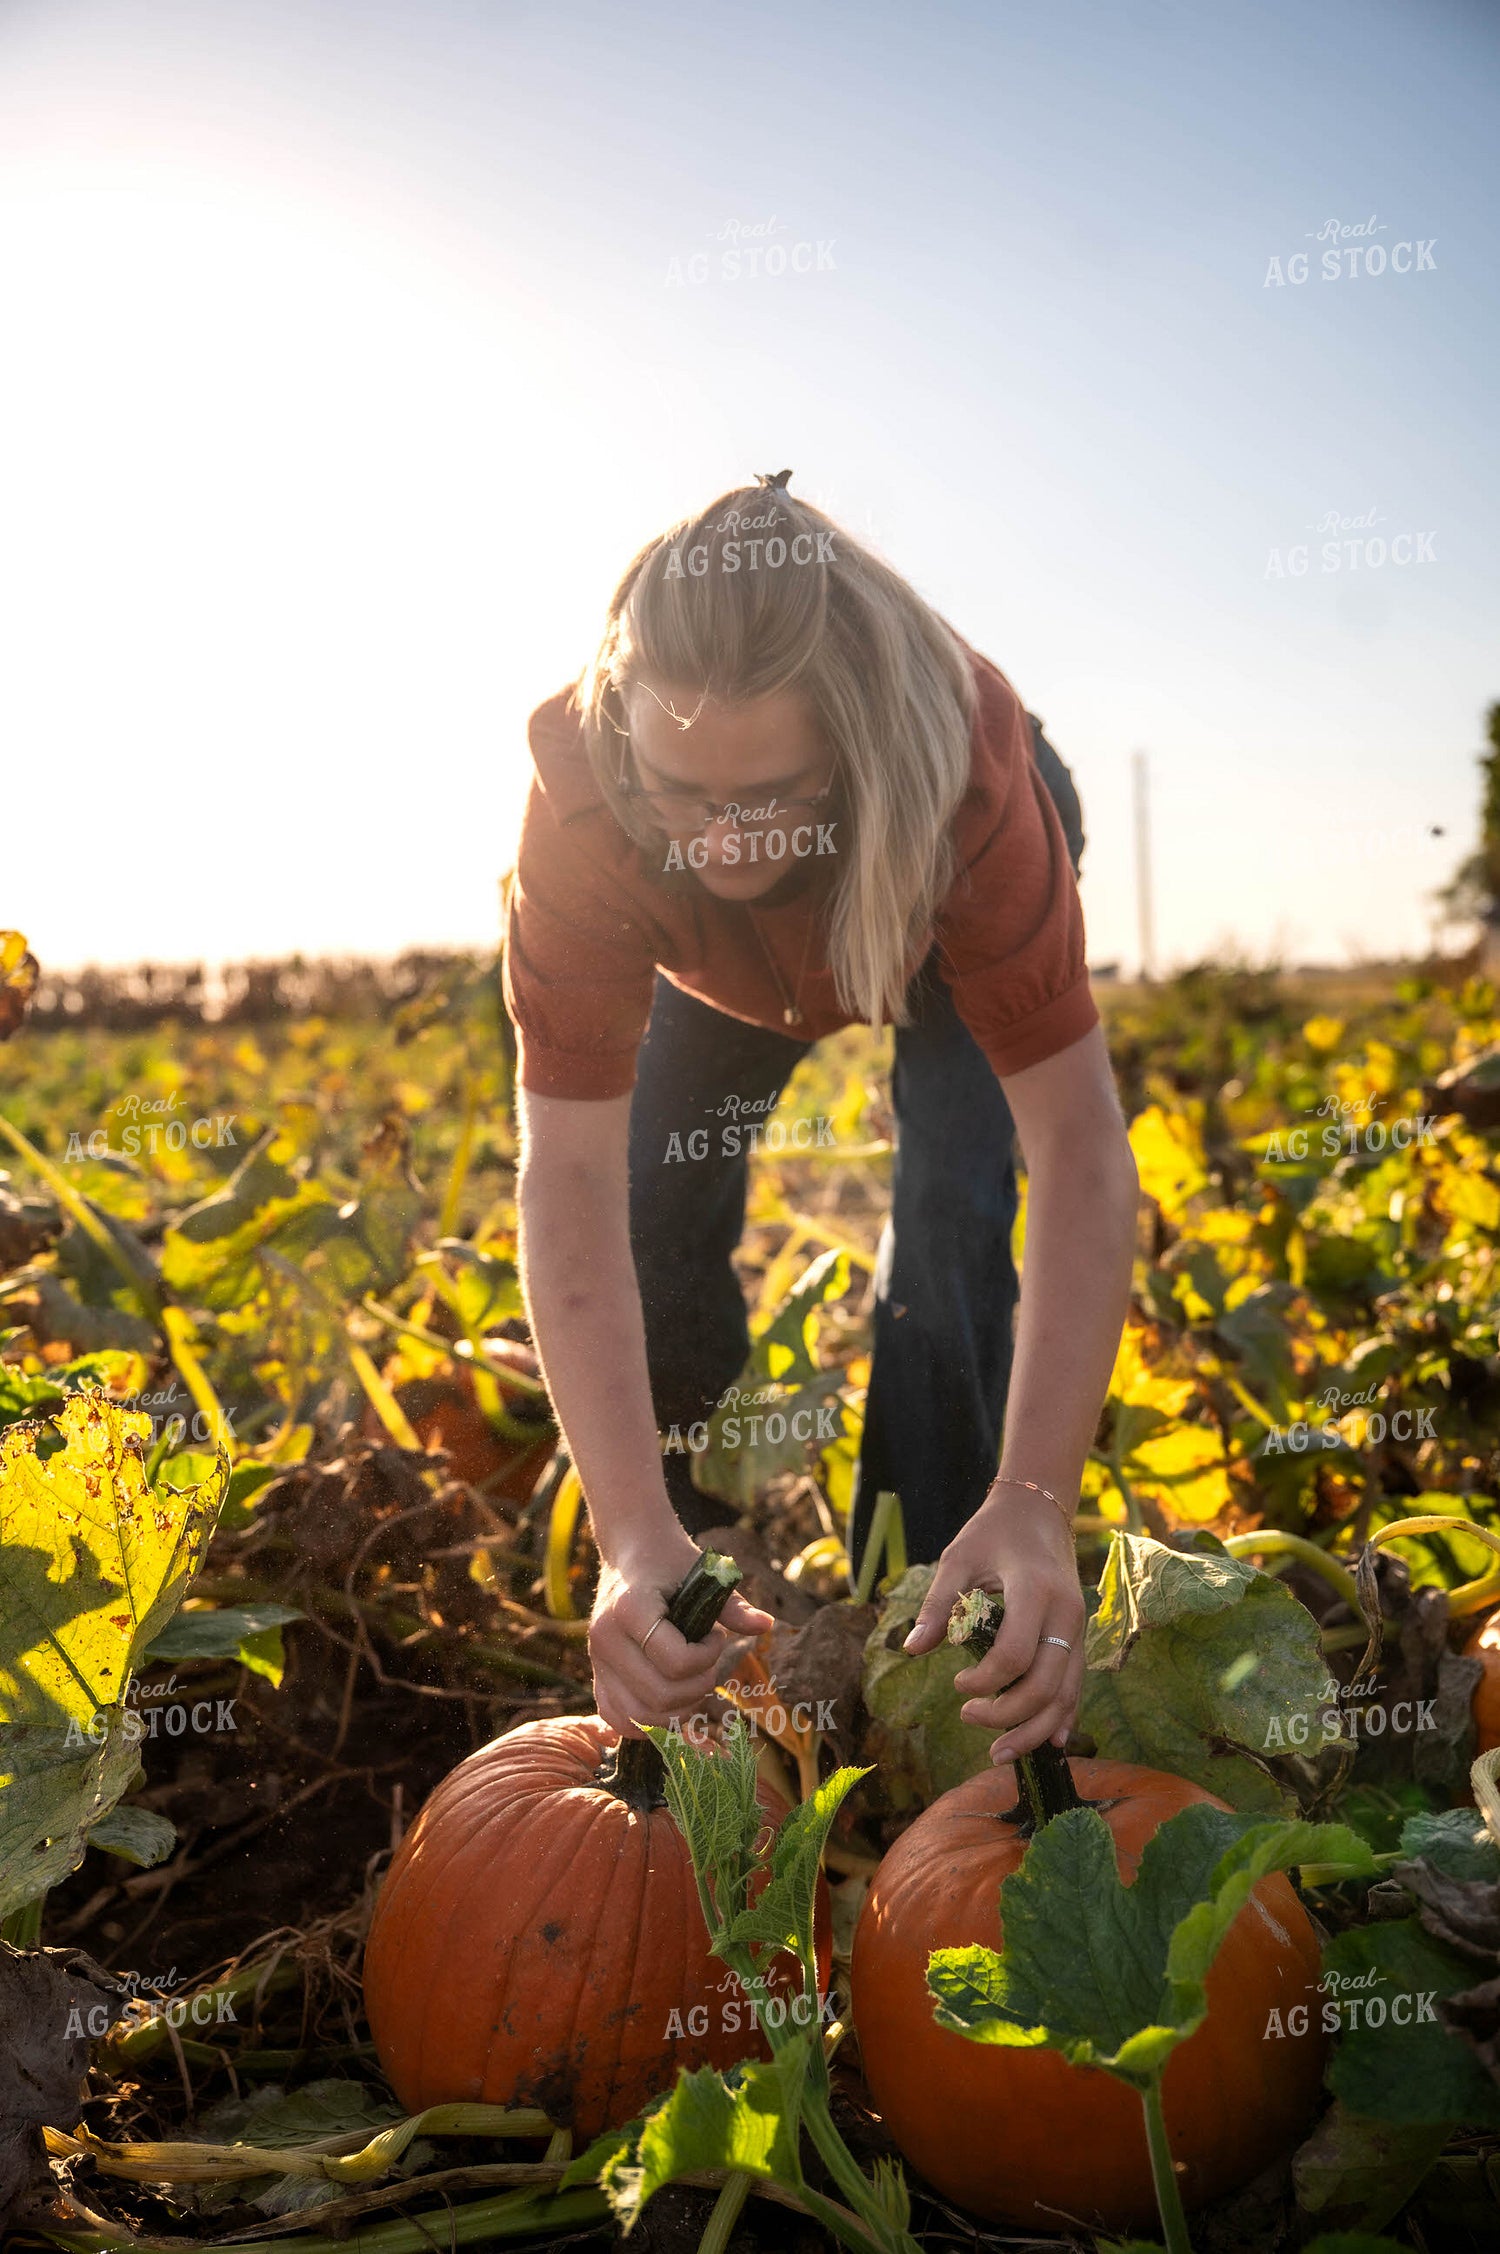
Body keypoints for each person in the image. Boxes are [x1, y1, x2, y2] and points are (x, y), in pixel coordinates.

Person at [504, 473, 1138, 1767]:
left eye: (774, 790)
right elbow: (567, 1179)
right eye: (685, 792)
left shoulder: (968, 788)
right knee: (655, 1195)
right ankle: (685, 1575)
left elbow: (1078, 1150)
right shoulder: (583, 805)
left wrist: (1037, 1497)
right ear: (628, 738)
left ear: (847, 739)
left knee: (955, 1213)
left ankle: (931, 1612)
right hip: (725, 969)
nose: (728, 837)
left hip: (909, 889)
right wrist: (624, 1528)